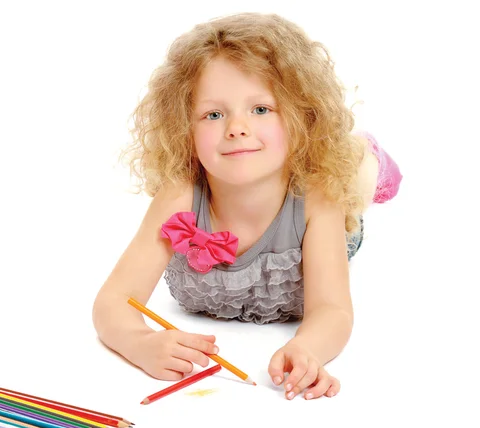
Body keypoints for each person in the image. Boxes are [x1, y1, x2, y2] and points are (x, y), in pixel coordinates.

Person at [92, 12, 402, 400]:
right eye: (214, 114)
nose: (236, 128)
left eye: (260, 109)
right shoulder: (178, 196)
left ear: (300, 117)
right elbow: (112, 302)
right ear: (184, 129)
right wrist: (139, 342)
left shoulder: (318, 199)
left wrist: (307, 349)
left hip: (326, 215)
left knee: (350, 185)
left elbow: (332, 308)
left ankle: (362, 158)